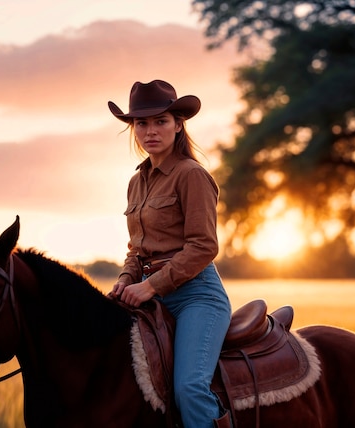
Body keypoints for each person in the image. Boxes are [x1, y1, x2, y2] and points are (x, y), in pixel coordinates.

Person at [108, 80, 232, 428]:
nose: (150, 131)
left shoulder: (191, 175)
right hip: (149, 295)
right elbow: (137, 249)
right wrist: (125, 281)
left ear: (178, 125)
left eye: (160, 121)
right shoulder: (137, 182)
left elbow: (204, 247)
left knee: (190, 388)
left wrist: (150, 286)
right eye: (141, 124)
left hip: (196, 296)